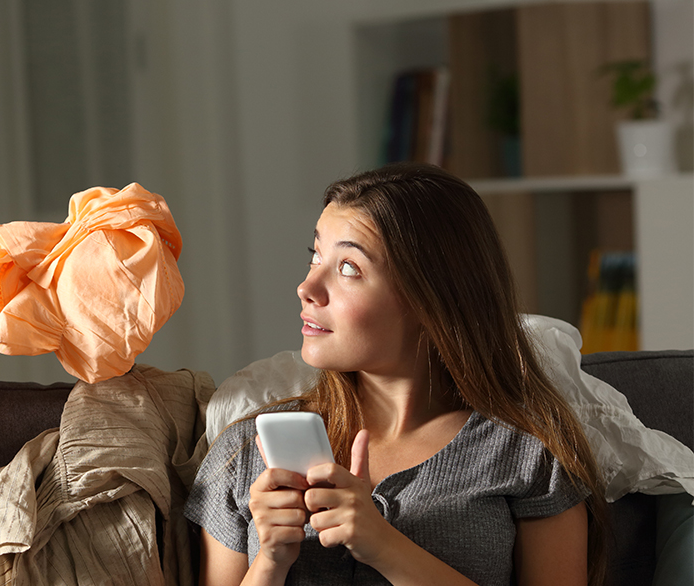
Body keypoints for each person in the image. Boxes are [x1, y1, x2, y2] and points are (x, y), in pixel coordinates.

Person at [186, 164, 607, 586]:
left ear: (431, 297)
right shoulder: (243, 455)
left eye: (349, 267)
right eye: (316, 256)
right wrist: (269, 563)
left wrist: (383, 545)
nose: (307, 286)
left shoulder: (530, 453)